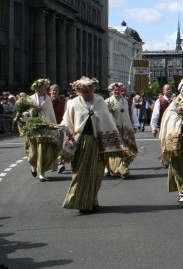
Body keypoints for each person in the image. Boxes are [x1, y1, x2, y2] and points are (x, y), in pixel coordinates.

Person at [59, 77, 132, 213]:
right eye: (85, 91)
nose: (89, 93)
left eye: (91, 90)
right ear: (79, 91)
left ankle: (92, 198)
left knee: (97, 172)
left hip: (97, 142)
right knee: (80, 173)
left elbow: (107, 119)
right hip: (80, 143)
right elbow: (66, 120)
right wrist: (62, 128)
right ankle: (80, 201)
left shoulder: (99, 101)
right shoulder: (72, 103)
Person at [22, 78, 61, 182]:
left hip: (45, 127)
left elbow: (50, 114)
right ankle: (33, 166)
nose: (45, 88)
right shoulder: (30, 99)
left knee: (43, 151)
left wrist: (55, 126)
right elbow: (25, 112)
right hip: (33, 127)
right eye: (43, 86)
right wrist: (25, 115)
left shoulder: (48, 99)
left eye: (45, 86)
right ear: (37, 88)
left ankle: (42, 173)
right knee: (33, 152)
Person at [104, 83, 138, 178]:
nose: (117, 91)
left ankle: (123, 166)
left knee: (127, 148)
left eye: (118, 90)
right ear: (111, 91)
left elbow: (130, 114)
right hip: (114, 129)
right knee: (115, 150)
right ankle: (118, 169)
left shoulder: (126, 101)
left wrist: (134, 125)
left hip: (126, 128)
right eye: (115, 90)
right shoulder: (107, 102)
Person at [49, 84, 68, 173]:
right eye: (53, 90)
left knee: (59, 145)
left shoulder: (62, 103)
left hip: (59, 127)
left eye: (56, 91)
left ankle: (61, 163)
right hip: (48, 128)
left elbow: (65, 115)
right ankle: (51, 163)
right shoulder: (46, 102)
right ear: (50, 91)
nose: (54, 92)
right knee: (49, 146)